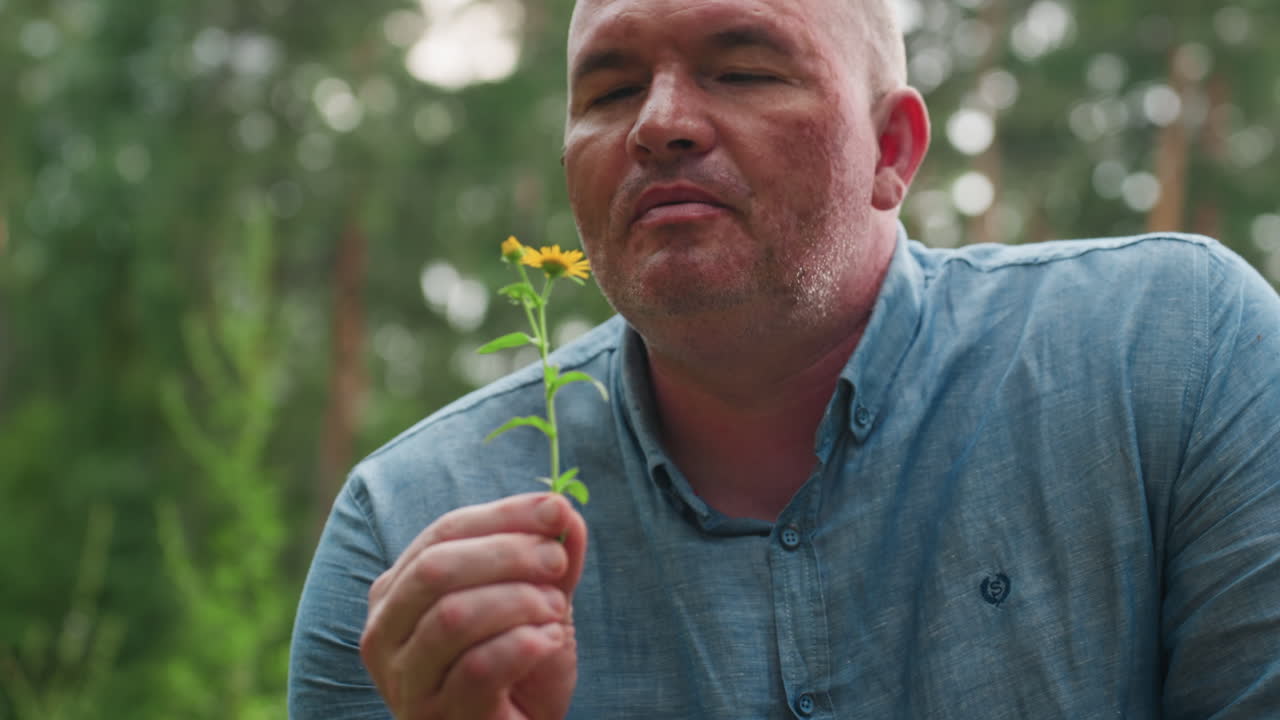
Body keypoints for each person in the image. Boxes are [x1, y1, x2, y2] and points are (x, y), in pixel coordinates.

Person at [288, 0, 1280, 716]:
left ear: (891, 150)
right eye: (609, 88)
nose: (657, 123)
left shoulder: (1175, 356)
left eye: (744, 69)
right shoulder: (411, 541)